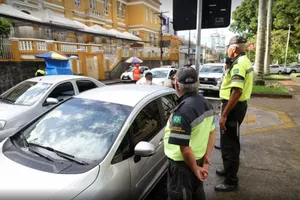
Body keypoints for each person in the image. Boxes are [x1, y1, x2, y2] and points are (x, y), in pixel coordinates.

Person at [164, 67, 216, 200]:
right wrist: (206, 158)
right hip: (197, 160)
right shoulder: (207, 104)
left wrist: (194, 169)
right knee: (197, 193)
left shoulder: (180, 113)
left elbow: (185, 150)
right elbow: (212, 133)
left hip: (182, 166)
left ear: (177, 85)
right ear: (197, 85)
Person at [215, 36, 253, 192]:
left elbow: (237, 91)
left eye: (228, 48)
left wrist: (224, 115)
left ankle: (231, 181)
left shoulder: (239, 64)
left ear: (235, 48)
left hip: (233, 107)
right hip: (236, 107)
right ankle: (227, 169)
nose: (227, 50)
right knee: (227, 141)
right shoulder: (242, 61)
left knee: (230, 144)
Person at [214, 57, 233, 150]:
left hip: (227, 100)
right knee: (225, 123)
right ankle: (225, 143)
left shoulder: (230, 72)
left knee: (223, 123)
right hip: (225, 100)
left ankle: (224, 144)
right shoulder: (228, 72)